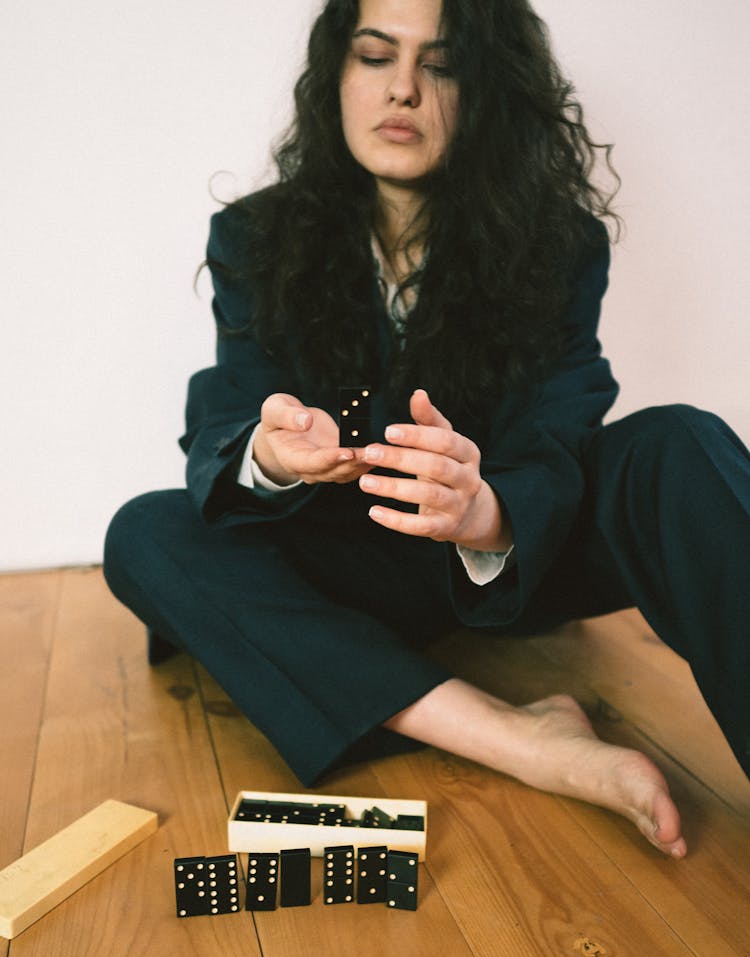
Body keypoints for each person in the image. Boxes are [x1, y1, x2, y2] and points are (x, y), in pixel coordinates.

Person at [104, 0, 750, 859]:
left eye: (440, 66)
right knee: (144, 532)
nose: (402, 90)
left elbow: (562, 418)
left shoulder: (560, 243)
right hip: (342, 568)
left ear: (487, 92)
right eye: (375, 57)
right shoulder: (255, 235)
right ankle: (522, 739)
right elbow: (228, 413)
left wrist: (488, 513)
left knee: (677, 442)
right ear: (337, 78)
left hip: (505, 568)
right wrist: (272, 456)